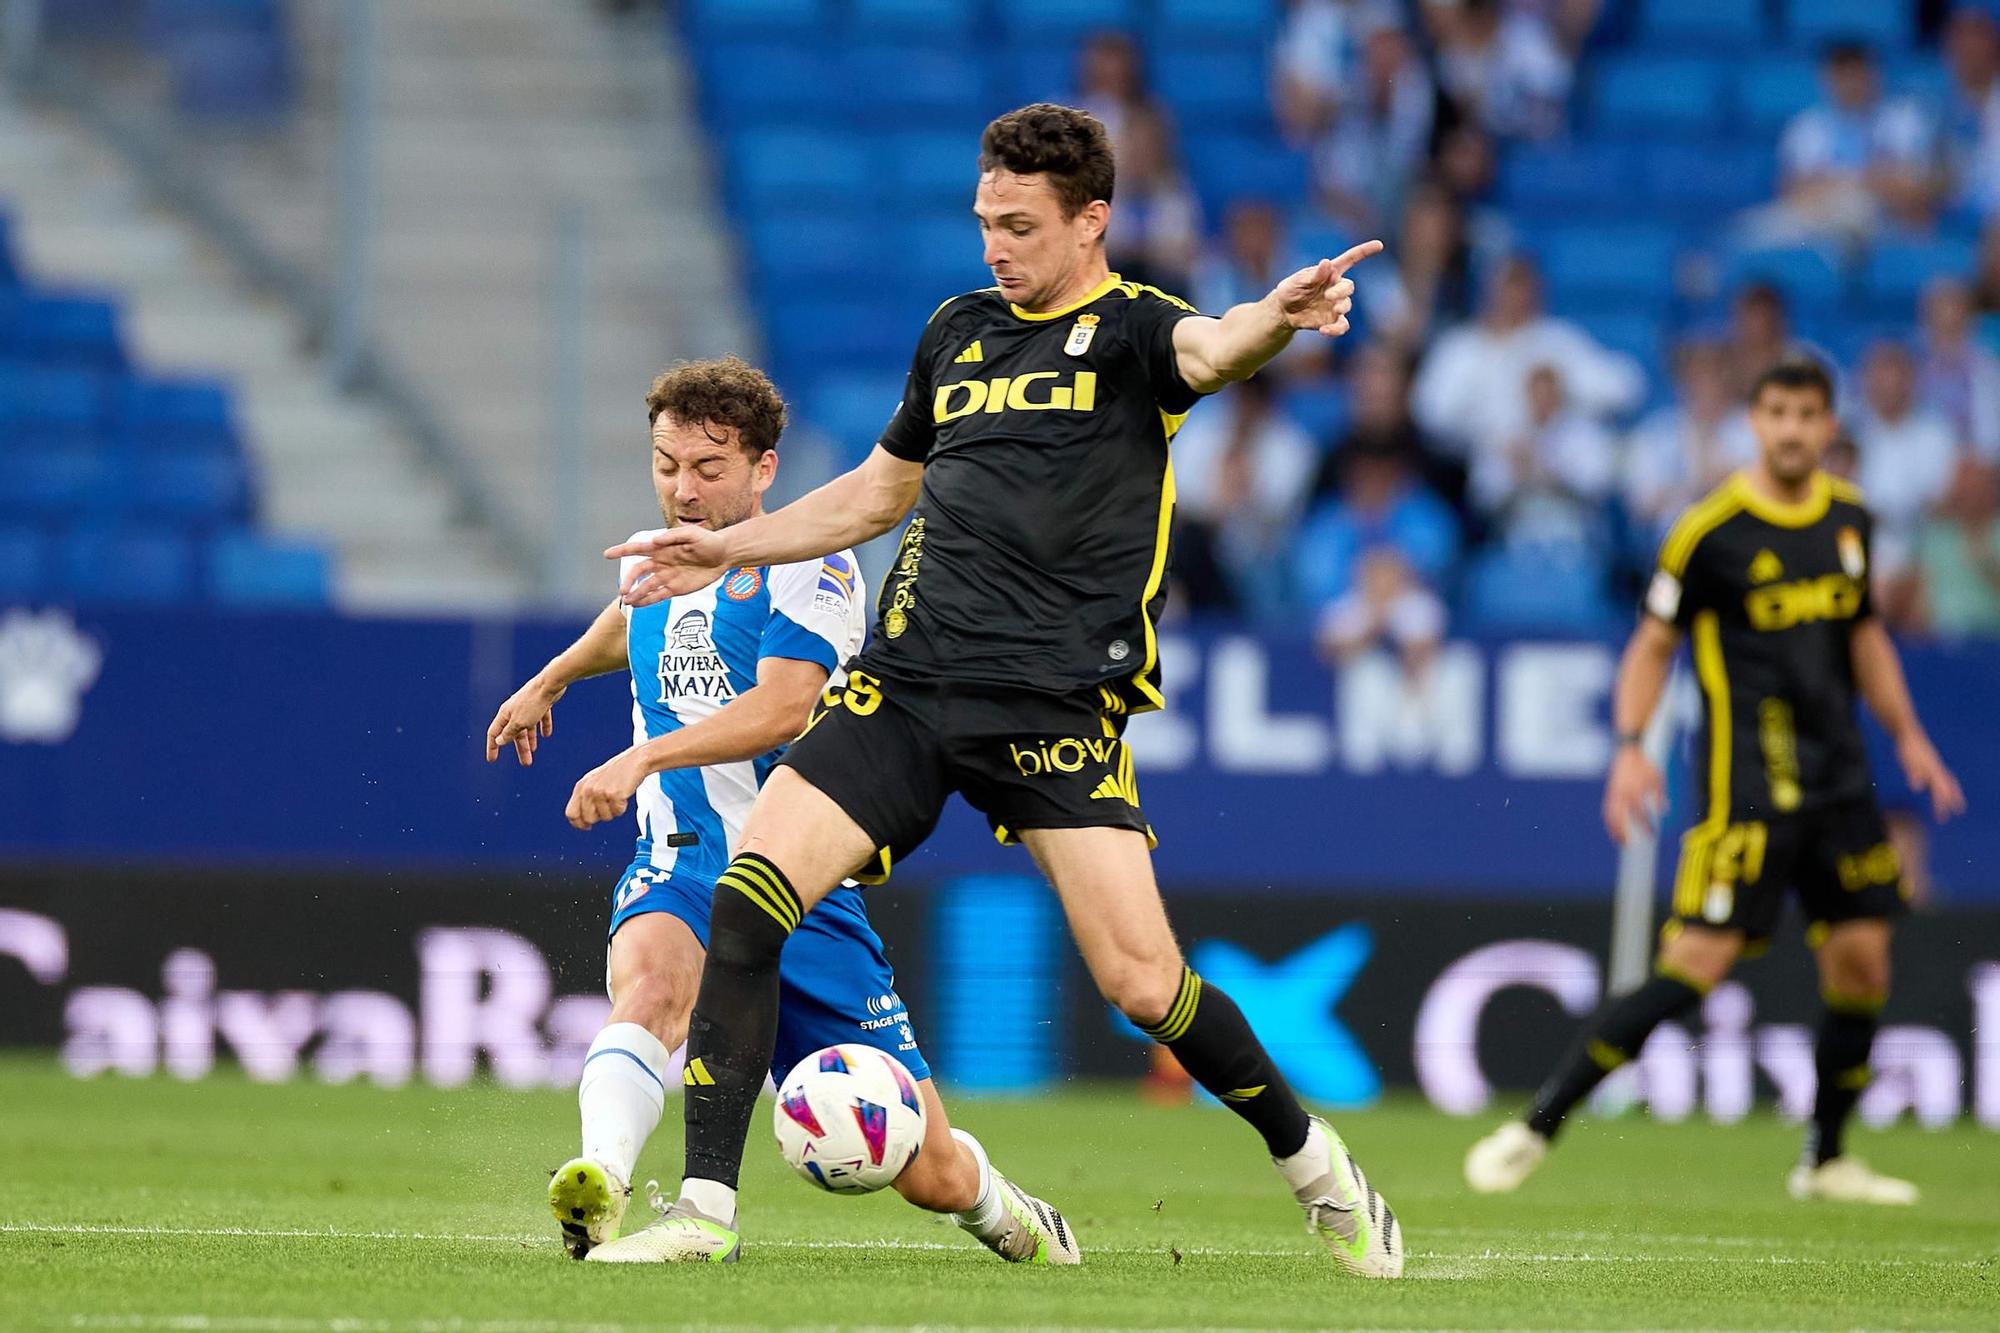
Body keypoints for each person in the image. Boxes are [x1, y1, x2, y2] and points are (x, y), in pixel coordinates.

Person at [604, 103, 1404, 1277]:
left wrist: (1273, 321)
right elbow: (877, 495)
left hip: (1052, 706)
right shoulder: (958, 331)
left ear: (1092, 222)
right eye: (984, 221)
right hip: (909, 686)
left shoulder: (1134, 332)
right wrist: (733, 545)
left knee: (1143, 984)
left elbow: (1216, 346)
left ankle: (1312, 1164)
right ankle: (702, 1210)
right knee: (747, 899)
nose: (995, 246)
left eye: (1020, 225)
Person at [484, 356, 1078, 1266]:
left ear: (764, 470)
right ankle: (598, 1181)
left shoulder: (811, 564)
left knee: (932, 1172)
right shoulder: (656, 555)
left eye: (708, 469)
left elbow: (782, 709)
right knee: (650, 987)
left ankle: (1001, 1207)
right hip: (681, 861)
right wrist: (554, 676)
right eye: (667, 464)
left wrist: (639, 753)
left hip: (793, 881)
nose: (683, 489)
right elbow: (631, 617)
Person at [1464, 359, 1967, 1205]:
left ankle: (1827, 1158)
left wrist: (1909, 735)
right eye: (1778, 412)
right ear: (1755, 420)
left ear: (1828, 423)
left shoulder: (1851, 521)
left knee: (1862, 965)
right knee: (1693, 963)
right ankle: (1536, 1124)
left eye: (1809, 414)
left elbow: (1866, 634)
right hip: (1749, 791)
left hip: (1842, 783)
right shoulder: (1711, 531)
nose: (1794, 430)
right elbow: (1654, 645)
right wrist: (1631, 745)